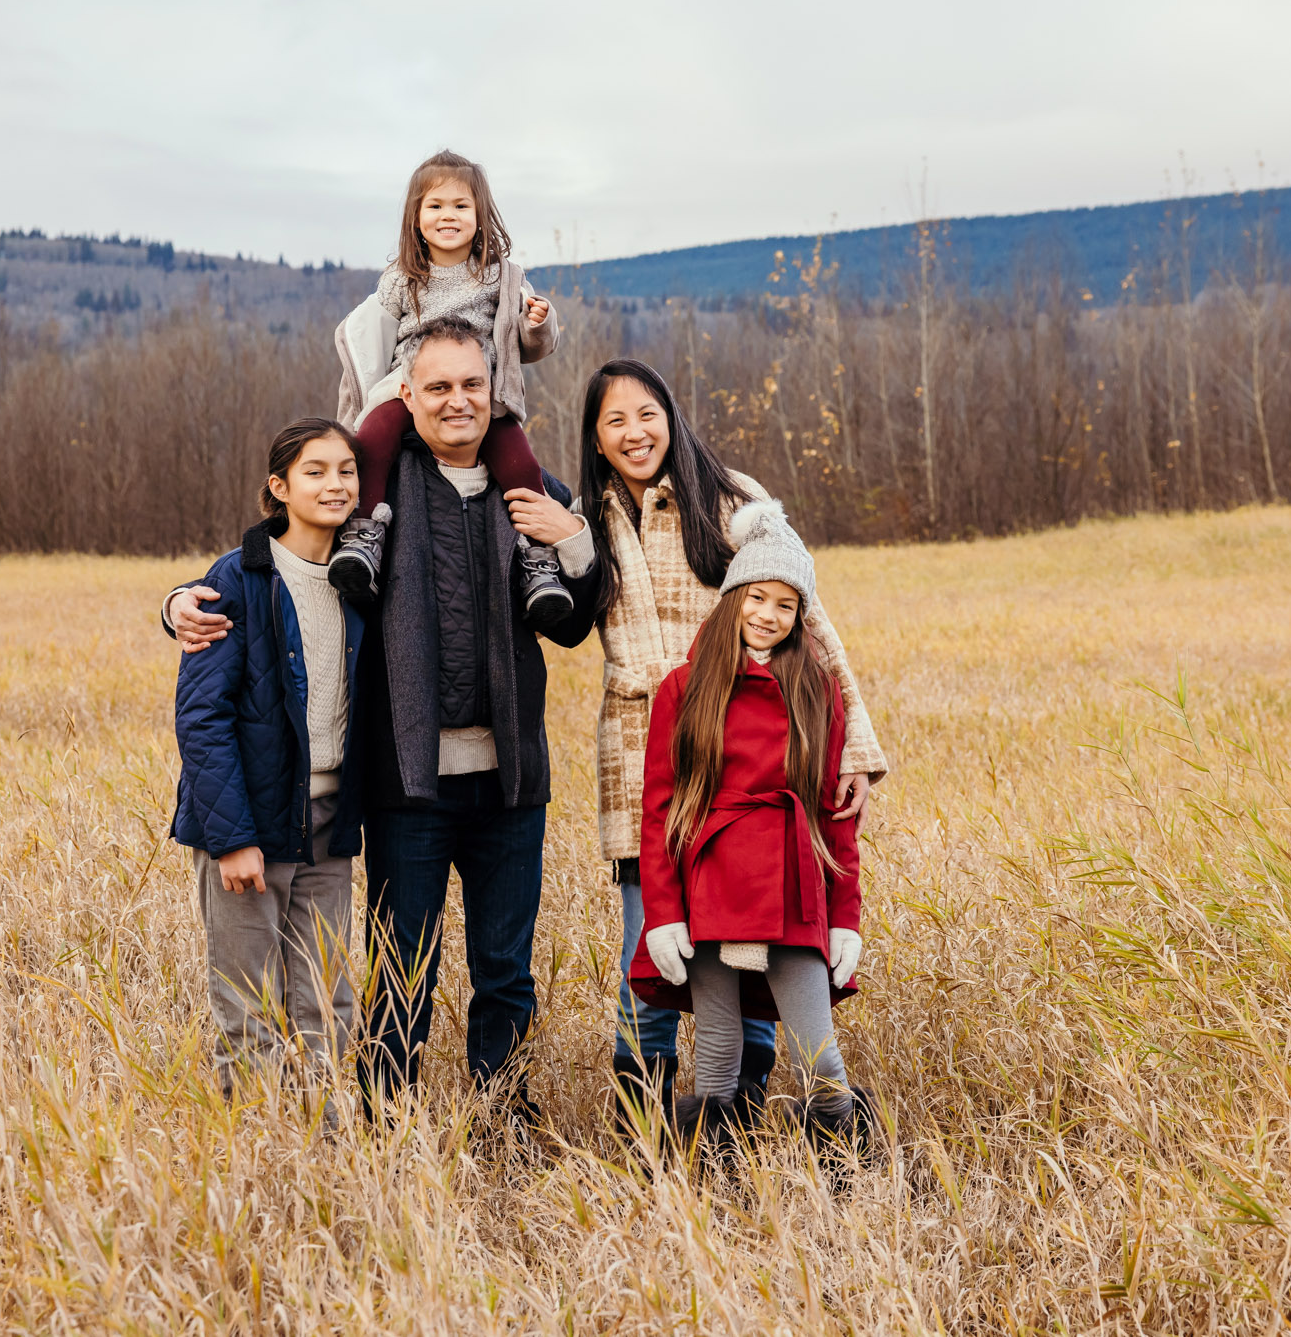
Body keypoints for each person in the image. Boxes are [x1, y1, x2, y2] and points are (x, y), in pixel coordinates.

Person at [164, 319, 598, 1118]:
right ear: (407, 395)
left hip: (512, 785)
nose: (457, 400)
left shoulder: (535, 492)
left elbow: (572, 624)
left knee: (506, 969)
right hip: (407, 784)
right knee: (403, 965)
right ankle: (384, 1118)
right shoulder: (375, 492)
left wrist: (572, 540)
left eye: (471, 384)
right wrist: (179, 603)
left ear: (495, 390)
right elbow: (273, 565)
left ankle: (502, 1116)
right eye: (437, 386)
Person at [561, 359, 888, 1131]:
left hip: (752, 738)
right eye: (615, 421)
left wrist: (855, 751)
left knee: (764, 943)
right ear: (596, 438)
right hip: (647, 753)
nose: (635, 432)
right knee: (656, 942)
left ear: (671, 415)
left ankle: (743, 1109)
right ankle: (645, 1125)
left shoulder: (730, 499)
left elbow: (811, 623)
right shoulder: (588, 518)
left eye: (647, 413)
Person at [627, 500, 872, 1159]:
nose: (767, 614)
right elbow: (660, 811)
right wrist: (664, 915)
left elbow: (834, 817)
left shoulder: (817, 691)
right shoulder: (684, 688)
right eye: (756, 596)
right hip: (712, 886)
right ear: (732, 597)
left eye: (785, 604)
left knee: (818, 1051)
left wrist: (844, 916)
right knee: (717, 1051)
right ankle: (715, 1181)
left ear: (800, 618)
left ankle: (843, 1170)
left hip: (793, 883)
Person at [170, 418, 368, 1094]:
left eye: (346, 469)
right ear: (279, 487)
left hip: (329, 826)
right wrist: (232, 839)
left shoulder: (362, 575)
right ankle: (257, 1162)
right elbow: (201, 716)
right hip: (250, 823)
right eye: (315, 470)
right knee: (246, 1009)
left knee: (330, 1007)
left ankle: (329, 1159)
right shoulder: (240, 576)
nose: (335, 483)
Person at [328, 150, 570, 624]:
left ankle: (537, 561)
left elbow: (532, 342)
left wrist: (536, 322)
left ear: (480, 217)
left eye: (461, 206)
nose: (448, 216)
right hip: (410, 383)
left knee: (519, 460)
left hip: (482, 391)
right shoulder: (403, 279)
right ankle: (364, 536)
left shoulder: (501, 275)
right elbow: (371, 333)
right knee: (373, 438)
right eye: (435, 206)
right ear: (416, 219)